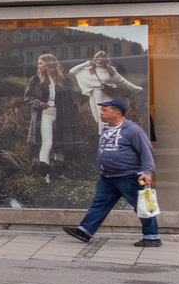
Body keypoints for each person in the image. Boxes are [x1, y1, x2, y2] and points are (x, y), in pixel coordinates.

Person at [66, 100, 162, 247]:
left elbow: (146, 151)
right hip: (108, 177)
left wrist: (147, 172)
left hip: (129, 176)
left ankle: (152, 236)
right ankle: (85, 230)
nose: (102, 113)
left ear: (117, 113)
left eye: (105, 111)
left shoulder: (132, 130)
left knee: (142, 206)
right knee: (100, 203)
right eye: (102, 110)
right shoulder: (105, 130)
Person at [22, 54, 79, 167]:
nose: (39, 66)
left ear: (49, 64)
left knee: (60, 141)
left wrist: (73, 116)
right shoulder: (36, 79)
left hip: (62, 114)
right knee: (47, 142)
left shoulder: (66, 80)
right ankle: (44, 171)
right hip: (45, 113)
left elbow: (72, 100)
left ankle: (59, 170)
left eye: (41, 63)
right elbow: (27, 97)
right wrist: (39, 103)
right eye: (39, 63)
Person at [70, 52, 144, 130]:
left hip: (104, 94)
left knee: (103, 116)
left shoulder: (110, 70)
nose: (99, 61)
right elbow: (72, 71)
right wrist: (87, 63)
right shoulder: (90, 69)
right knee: (97, 118)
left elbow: (122, 81)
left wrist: (136, 89)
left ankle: (106, 134)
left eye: (102, 60)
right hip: (93, 95)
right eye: (98, 59)